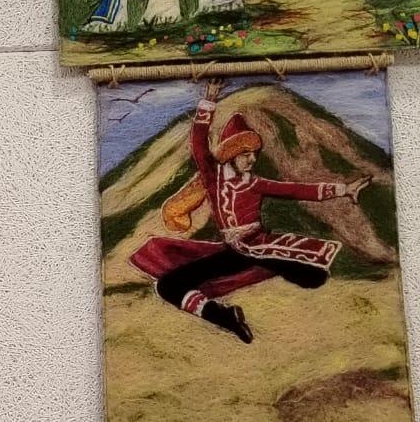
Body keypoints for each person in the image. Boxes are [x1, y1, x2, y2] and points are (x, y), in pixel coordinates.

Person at [129, 79, 371, 343]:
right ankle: (225, 317)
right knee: (167, 286)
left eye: (254, 154)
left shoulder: (255, 183)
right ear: (232, 154)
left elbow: (295, 190)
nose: (253, 159)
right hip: (233, 253)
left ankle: (286, 267)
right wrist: (209, 100)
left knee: (313, 277)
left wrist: (343, 189)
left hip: (257, 245)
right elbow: (199, 144)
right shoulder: (213, 178)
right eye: (246, 154)